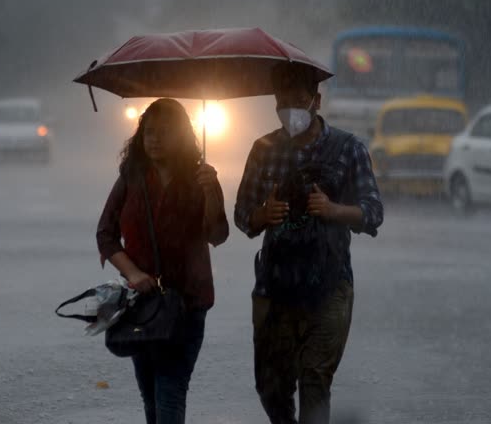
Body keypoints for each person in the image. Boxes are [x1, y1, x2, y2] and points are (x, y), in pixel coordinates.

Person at [235, 69, 384, 424]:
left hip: (329, 286)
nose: (289, 110)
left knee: (314, 378)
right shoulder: (263, 150)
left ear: (316, 101)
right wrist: (262, 215)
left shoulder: (348, 149)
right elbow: (242, 215)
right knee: (270, 386)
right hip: (276, 286)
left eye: (297, 101)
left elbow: (373, 212)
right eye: (281, 102)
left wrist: (334, 210)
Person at [97, 98, 229, 424]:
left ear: (181, 136)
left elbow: (217, 234)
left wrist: (211, 193)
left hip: (187, 304)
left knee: (170, 390)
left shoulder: (200, 179)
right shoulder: (132, 177)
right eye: (149, 133)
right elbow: (105, 234)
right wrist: (133, 272)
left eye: (164, 133)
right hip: (143, 305)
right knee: (151, 397)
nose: (154, 140)